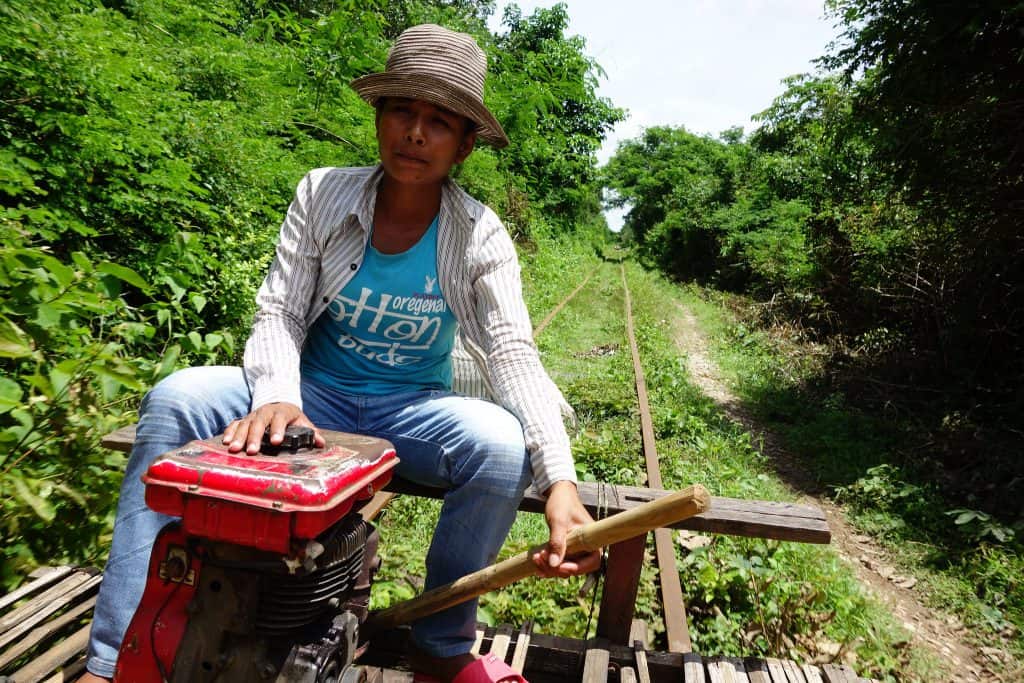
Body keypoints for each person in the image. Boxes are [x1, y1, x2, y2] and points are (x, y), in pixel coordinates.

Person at [80, 23, 599, 683]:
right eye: (402, 111)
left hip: (411, 407)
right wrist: (277, 398)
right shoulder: (323, 192)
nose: (416, 132)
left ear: (465, 144)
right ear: (379, 118)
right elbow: (281, 310)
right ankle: (116, 652)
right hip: (309, 393)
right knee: (175, 398)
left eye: (439, 121)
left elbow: (513, 355)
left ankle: (440, 645)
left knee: (499, 446)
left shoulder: (478, 234)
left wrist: (559, 482)